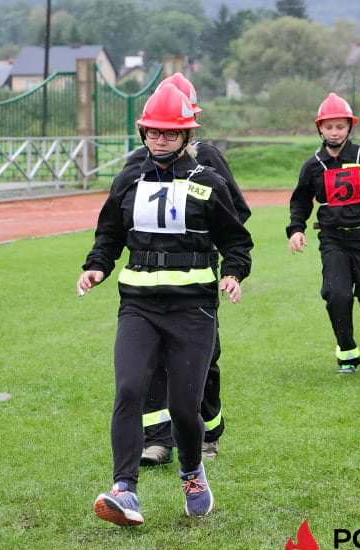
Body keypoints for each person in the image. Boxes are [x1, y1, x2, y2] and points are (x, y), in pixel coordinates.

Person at [77, 84, 253, 526]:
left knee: (182, 409)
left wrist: (233, 272)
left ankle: (192, 472)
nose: (160, 140)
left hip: (193, 311)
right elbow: (109, 234)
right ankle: (125, 490)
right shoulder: (127, 181)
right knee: (129, 389)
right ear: (143, 133)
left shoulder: (208, 182)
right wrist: (97, 266)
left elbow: (237, 240)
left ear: (186, 136)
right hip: (138, 306)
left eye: (169, 134)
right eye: (153, 133)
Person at [123, 73, 250, 466]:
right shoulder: (136, 165)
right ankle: (157, 440)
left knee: (204, 358)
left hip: (197, 278)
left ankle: (209, 432)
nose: (162, 138)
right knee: (152, 360)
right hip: (147, 284)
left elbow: (237, 214)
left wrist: (208, 245)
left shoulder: (208, 160)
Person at [286, 92, 360, 374]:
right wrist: (296, 229)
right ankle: (347, 353)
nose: (334, 132)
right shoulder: (312, 166)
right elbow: (301, 201)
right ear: (319, 129)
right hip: (332, 239)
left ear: (350, 127)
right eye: (328, 127)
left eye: (340, 126)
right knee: (336, 295)